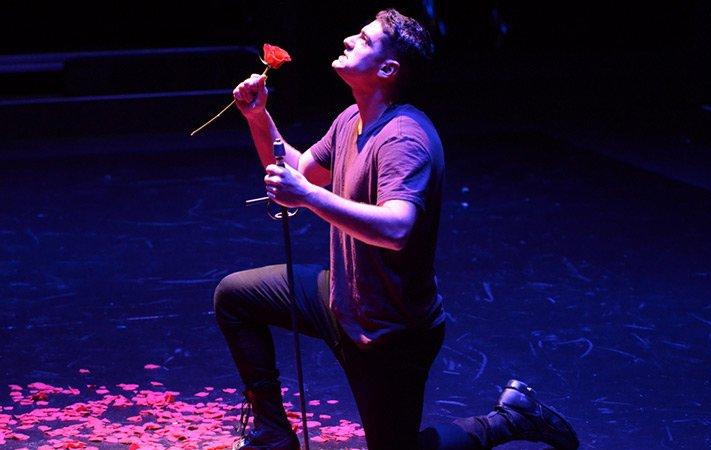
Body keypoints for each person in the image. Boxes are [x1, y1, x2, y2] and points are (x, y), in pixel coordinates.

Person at [213, 8, 579, 450]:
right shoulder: (351, 119)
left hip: (391, 331)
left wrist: (306, 196)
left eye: (364, 39)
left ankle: (509, 419)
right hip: (341, 298)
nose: (348, 38)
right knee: (235, 296)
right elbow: (302, 169)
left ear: (388, 69)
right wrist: (258, 118)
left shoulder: (405, 138)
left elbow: (397, 227)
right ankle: (272, 432)